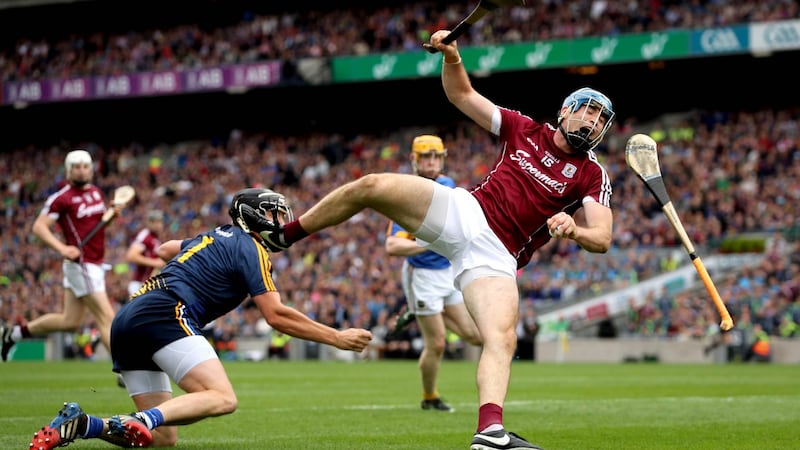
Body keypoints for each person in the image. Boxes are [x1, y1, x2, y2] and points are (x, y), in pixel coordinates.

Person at [259, 30, 616, 449]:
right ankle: (285, 235)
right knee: (371, 185)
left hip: (498, 255)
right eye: (587, 111)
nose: (591, 122)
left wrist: (575, 229)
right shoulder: (524, 129)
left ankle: (489, 432)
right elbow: (462, 96)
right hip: (465, 212)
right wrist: (452, 56)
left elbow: (603, 236)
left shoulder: (593, 174)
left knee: (501, 337)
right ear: (565, 111)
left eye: (600, 119)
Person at [28, 187, 373, 449]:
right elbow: (276, 315)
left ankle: (84, 424)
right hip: (166, 311)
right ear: (253, 216)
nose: (280, 223)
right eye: (274, 215)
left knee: (163, 437)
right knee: (223, 398)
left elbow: (165, 249)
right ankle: (137, 419)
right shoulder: (251, 247)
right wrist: (338, 338)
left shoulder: (212, 235)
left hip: (129, 316)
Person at [386, 134, 481, 413]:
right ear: (414, 160)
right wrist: (424, 244)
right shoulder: (405, 193)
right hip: (423, 275)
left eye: (435, 157)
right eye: (425, 157)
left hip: (447, 272)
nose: (430, 162)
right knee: (437, 343)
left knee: (476, 336)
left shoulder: (448, 185)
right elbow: (392, 245)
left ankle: (421, 311)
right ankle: (430, 397)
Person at [1, 150, 123, 364]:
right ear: (68, 171)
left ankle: (14, 334)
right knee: (106, 317)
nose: (81, 170)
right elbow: (39, 227)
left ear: (91, 169)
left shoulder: (95, 192)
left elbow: (97, 226)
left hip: (95, 262)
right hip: (81, 264)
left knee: (70, 321)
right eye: (76, 166)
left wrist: (111, 215)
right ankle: (126, 369)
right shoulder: (62, 198)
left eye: (85, 166)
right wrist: (62, 248)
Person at [125, 209, 166, 299]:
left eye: (160, 221)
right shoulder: (145, 235)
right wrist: (155, 262)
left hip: (148, 284)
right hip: (139, 284)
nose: (159, 225)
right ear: (150, 223)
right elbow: (131, 256)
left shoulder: (156, 238)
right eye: (155, 222)